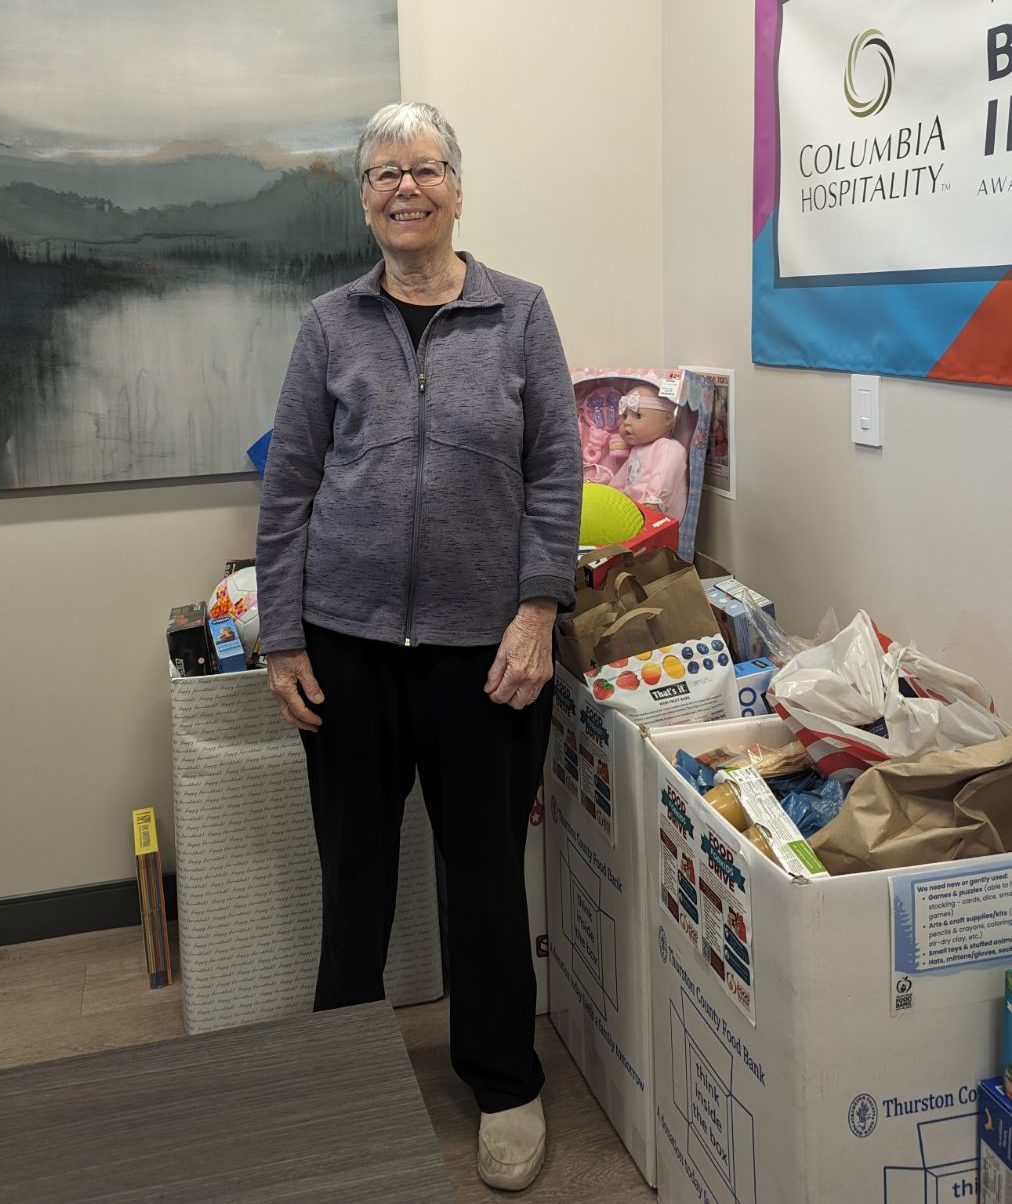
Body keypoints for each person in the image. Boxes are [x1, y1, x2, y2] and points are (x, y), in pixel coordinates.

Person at [255, 101, 581, 1192]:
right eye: (385, 172)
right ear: (363, 197)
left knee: (484, 876)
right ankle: (341, 1075)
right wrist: (280, 636)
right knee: (354, 875)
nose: (407, 187)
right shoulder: (328, 325)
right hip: (346, 649)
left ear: (456, 187)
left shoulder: (521, 313)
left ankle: (503, 1083)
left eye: (427, 168)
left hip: (484, 652)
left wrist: (537, 613)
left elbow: (557, 478)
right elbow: (290, 483)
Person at [611, 381, 689, 520]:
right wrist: (609, 496)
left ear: (668, 419)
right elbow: (621, 481)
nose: (627, 422)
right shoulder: (636, 451)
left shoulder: (669, 447)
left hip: (656, 517)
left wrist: (654, 502)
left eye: (638, 416)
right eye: (625, 416)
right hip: (633, 515)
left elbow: (663, 476)